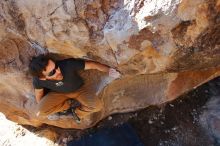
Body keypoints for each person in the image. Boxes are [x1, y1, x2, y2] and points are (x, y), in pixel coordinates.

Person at [29, 54, 121, 123]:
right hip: (58, 93)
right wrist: (45, 107)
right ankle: (67, 105)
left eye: (56, 66)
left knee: (97, 106)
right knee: (40, 111)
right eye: (52, 72)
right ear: (42, 77)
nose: (58, 71)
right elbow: (39, 95)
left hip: (79, 89)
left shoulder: (67, 65)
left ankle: (77, 112)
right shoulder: (38, 80)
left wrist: (109, 70)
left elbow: (92, 65)